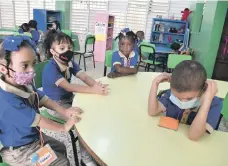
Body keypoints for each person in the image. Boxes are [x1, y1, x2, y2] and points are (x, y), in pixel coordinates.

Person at [0, 35, 83, 165]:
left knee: (61, 147)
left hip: (33, 138)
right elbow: (38, 120)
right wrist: (63, 126)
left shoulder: (24, 83)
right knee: (61, 163)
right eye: (24, 65)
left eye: (33, 63)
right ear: (4, 69)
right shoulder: (7, 101)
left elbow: (43, 98)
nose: (32, 70)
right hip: (19, 150)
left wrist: (65, 112)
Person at [42, 30, 108, 166]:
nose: (67, 51)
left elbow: (83, 76)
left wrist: (96, 85)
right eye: (62, 48)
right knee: (80, 122)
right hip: (56, 106)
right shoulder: (51, 69)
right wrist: (93, 90)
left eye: (69, 47)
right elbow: (69, 87)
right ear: (52, 51)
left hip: (69, 100)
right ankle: (86, 158)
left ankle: (93, 148)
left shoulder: (69, 62)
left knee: (94, 111)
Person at [148, 60, 222, 141]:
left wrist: (206, 102)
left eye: (189, 98)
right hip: (169, 141)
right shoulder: (171, 93)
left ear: (203, 89)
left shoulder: (214, 103)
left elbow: (193, 136)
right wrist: (155, 83)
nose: (182, 102)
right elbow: (152, 111)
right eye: (177, 97)